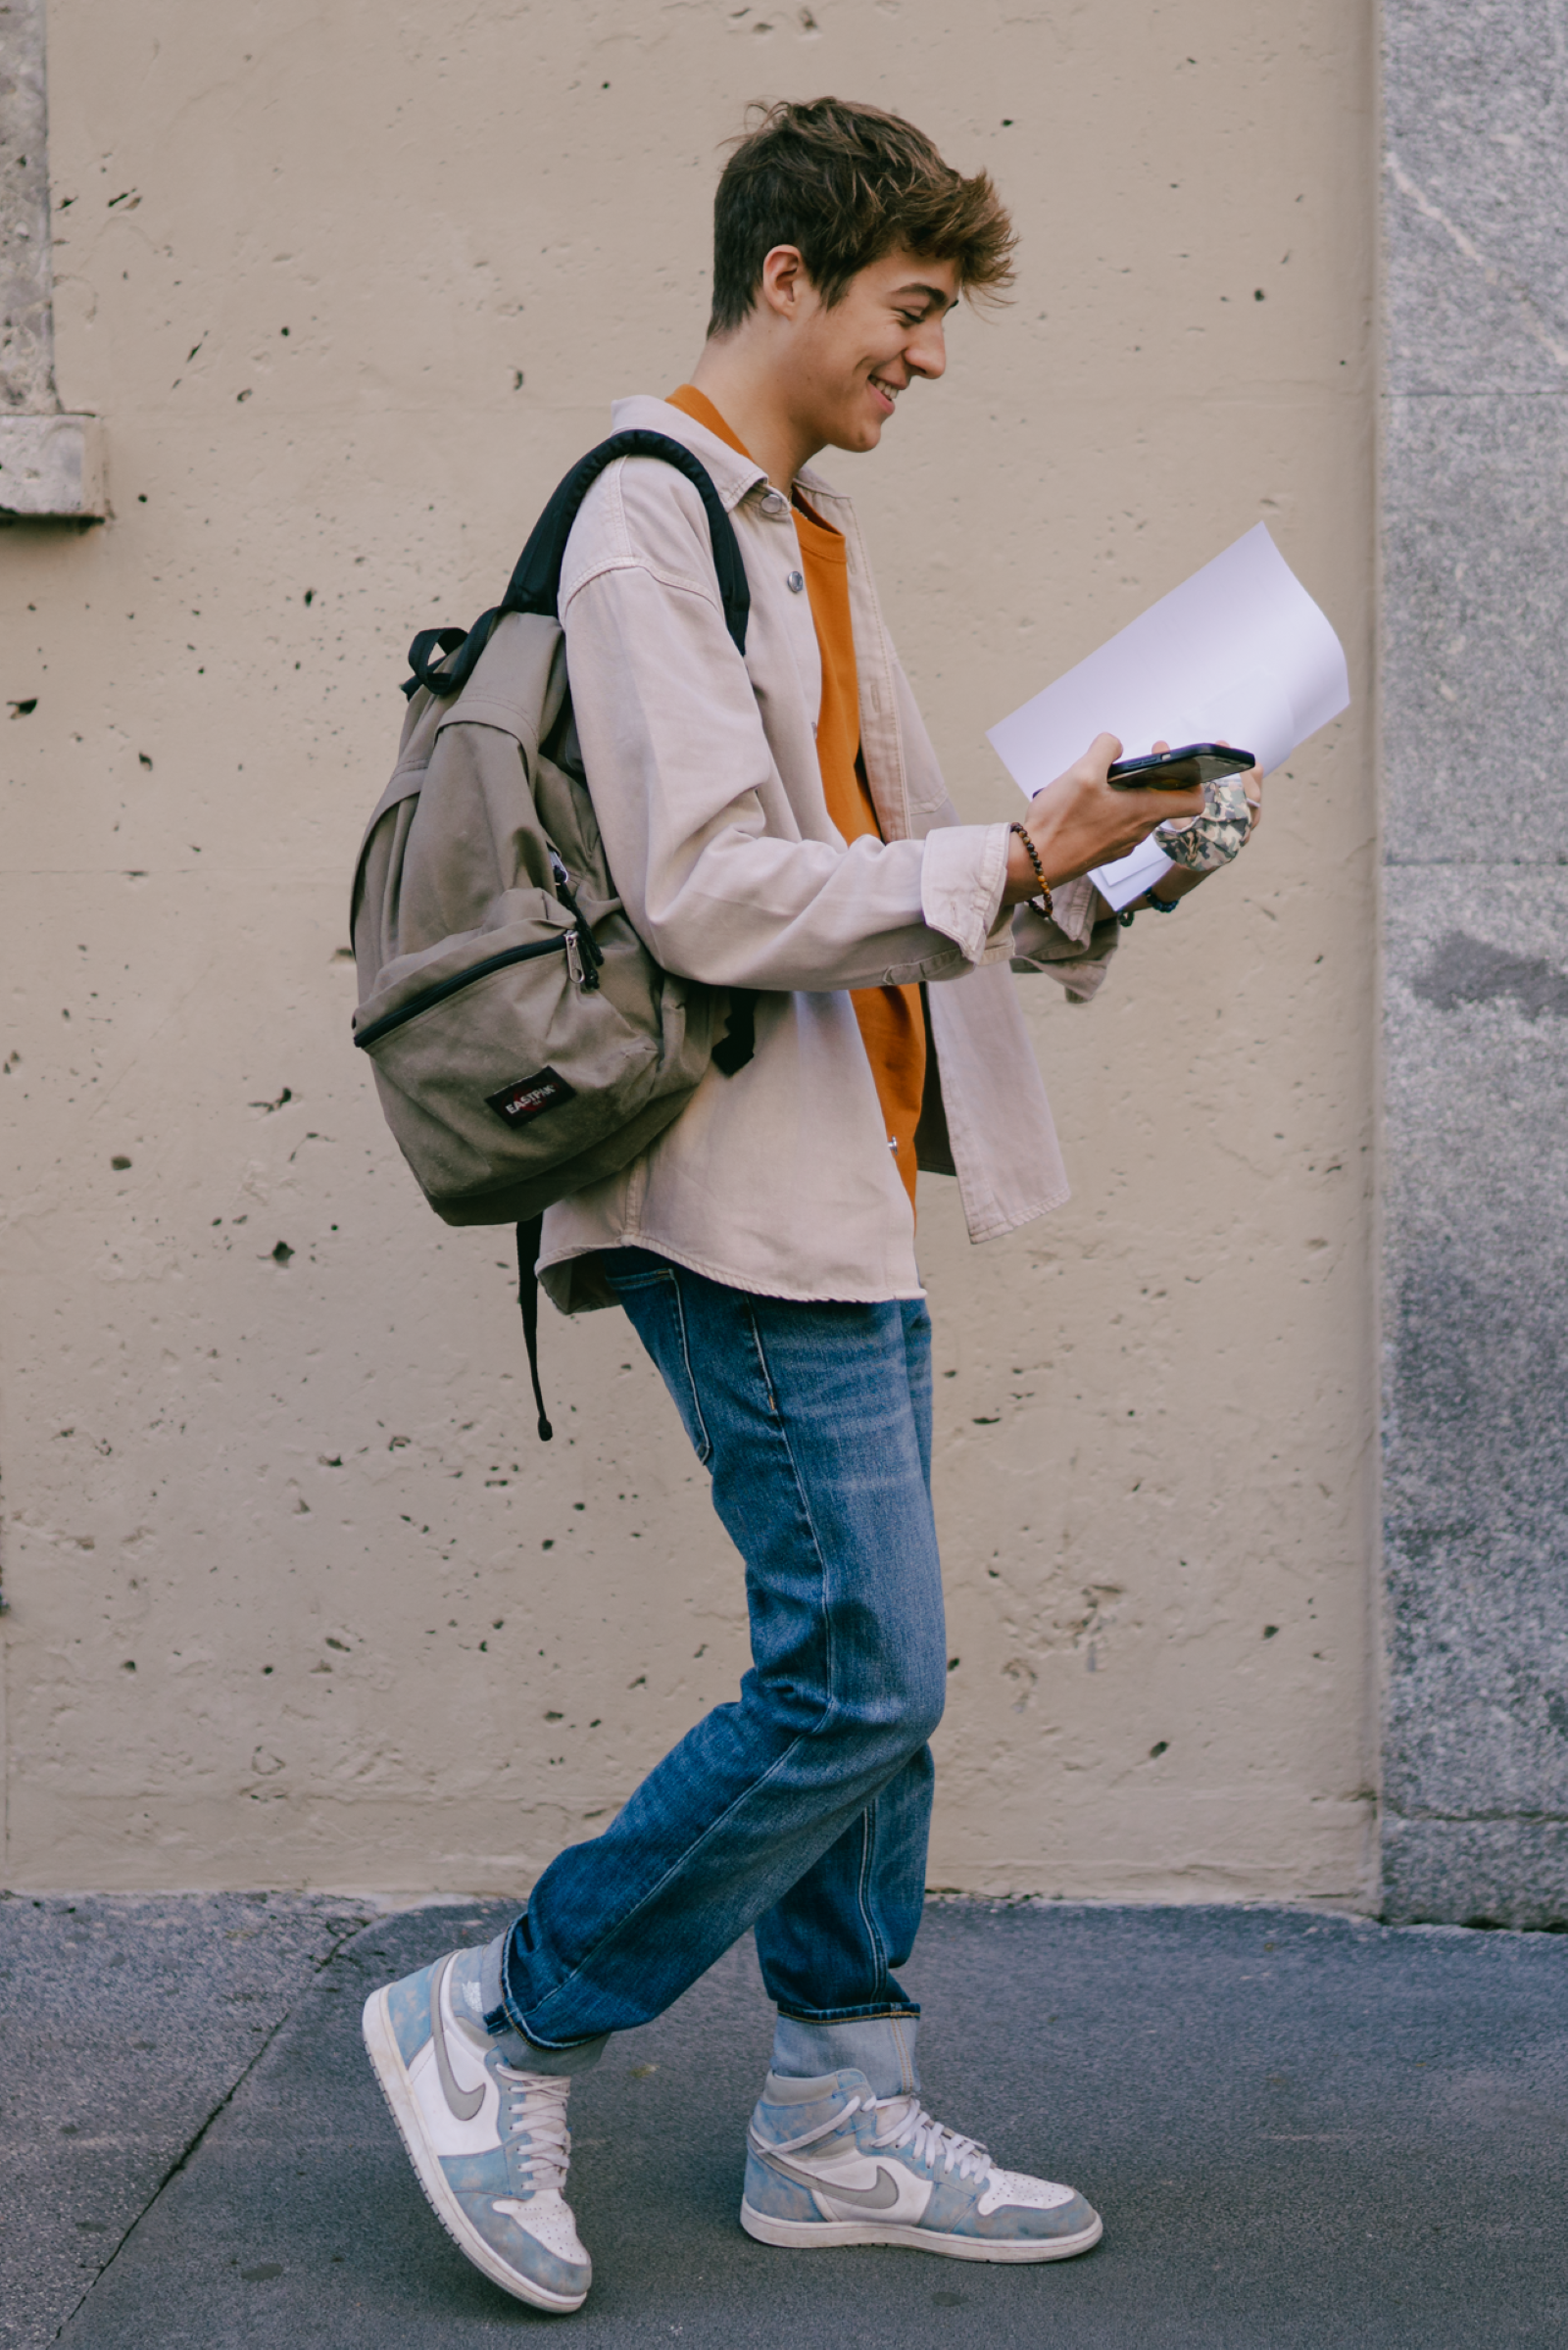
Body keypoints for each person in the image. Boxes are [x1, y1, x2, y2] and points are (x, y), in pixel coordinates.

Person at [361, 96, 1261, 2314]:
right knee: (862, 1665)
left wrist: (1106, 866)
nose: (927, 357)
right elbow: (705, 892)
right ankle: (506, 2015)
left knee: (876, 1669)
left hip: (842, 1170)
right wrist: (1012, 854)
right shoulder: (648, 518)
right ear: (789, 278)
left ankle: (840, 2108)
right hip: (728, 1187)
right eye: (908, 309)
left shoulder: (798, 535)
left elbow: (883, 865)